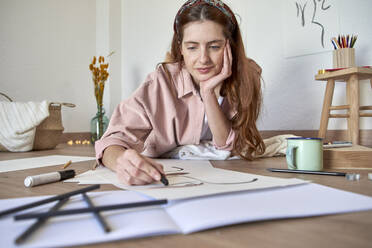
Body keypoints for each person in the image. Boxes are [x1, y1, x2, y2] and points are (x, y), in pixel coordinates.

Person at [95, 0, 265, 185]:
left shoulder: (248, 76)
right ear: (181, 48)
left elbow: (227, 144)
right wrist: (121, 162)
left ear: (230, 45)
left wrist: (207, 93)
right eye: (192, 47)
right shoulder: (161, 82)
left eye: (214, 46)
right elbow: (111, 141)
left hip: (221, 178)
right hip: (166, 176)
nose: (203, 59)